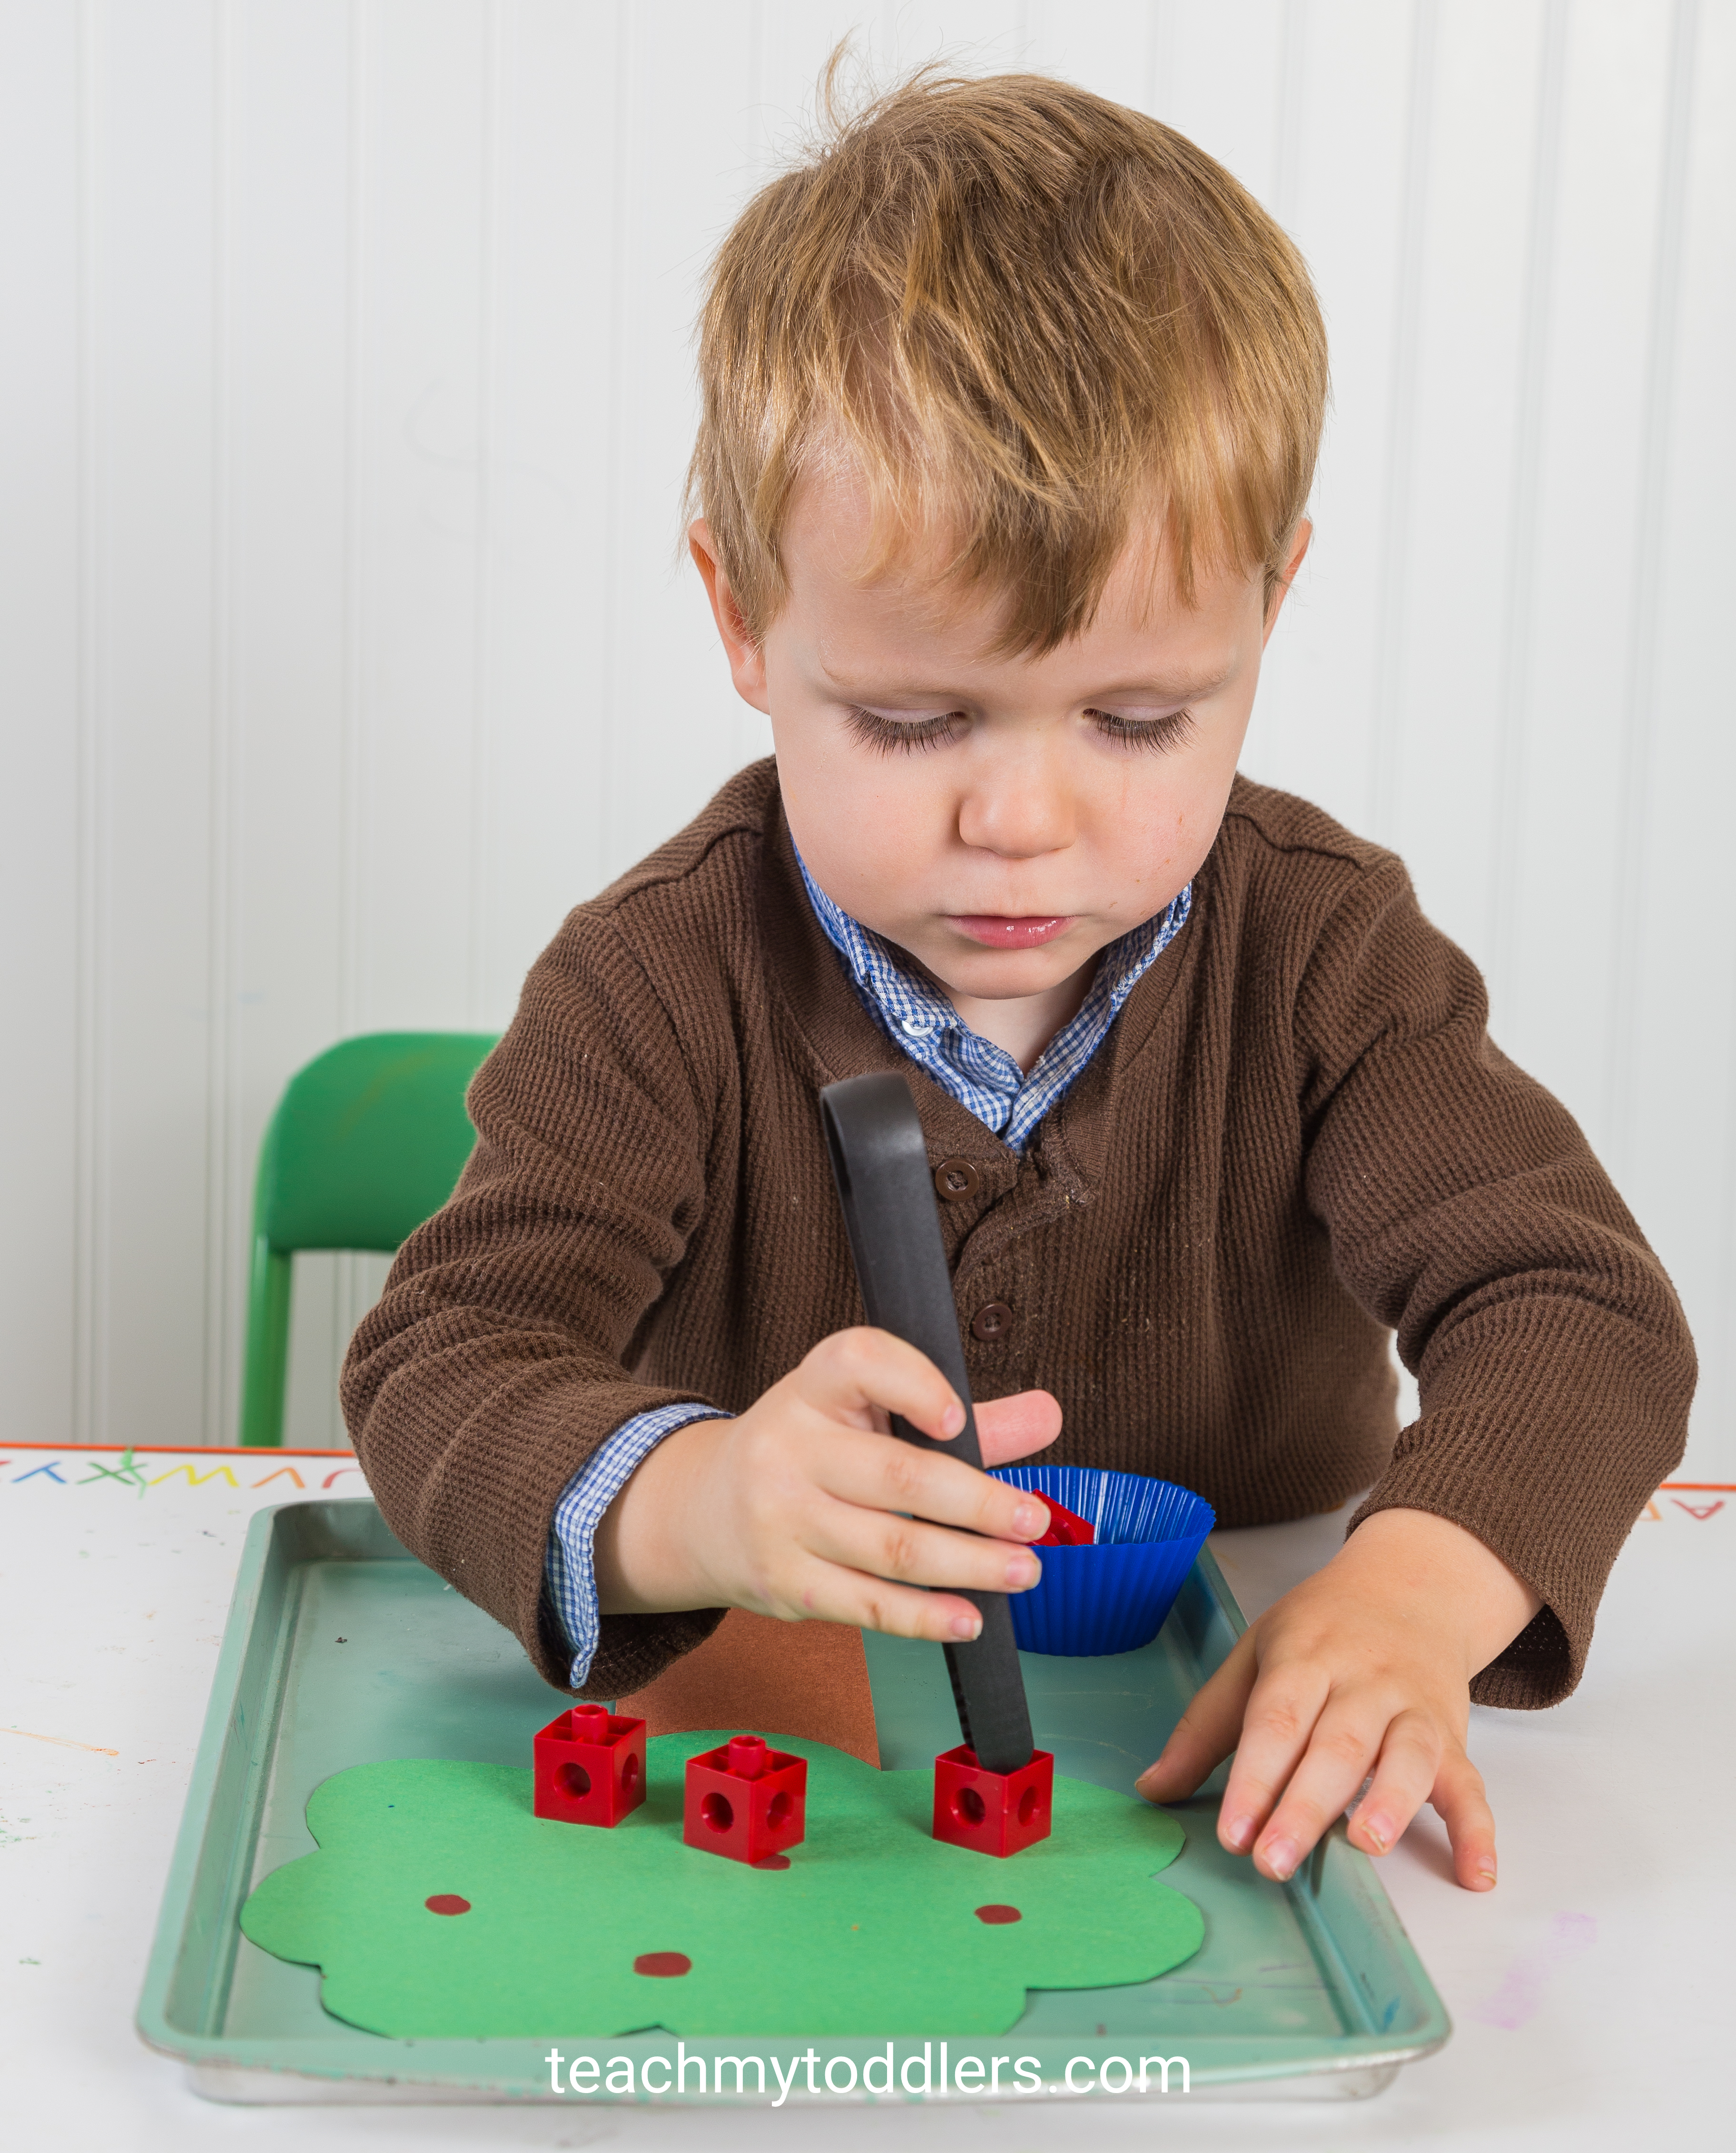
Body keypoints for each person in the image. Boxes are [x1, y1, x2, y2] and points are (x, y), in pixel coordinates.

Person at [342, 68, 1693, 1895]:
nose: (1023, 820)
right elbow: (443, 1361)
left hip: (1237, 1741)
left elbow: (1576, 1308)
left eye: (1141, 718)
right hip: (803, 1770)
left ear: (1269, 615)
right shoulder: (655, 980)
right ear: (744, 617)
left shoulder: (1326, 950)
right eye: (912, 720)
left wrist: (1409, 1594)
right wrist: (701, 1499)